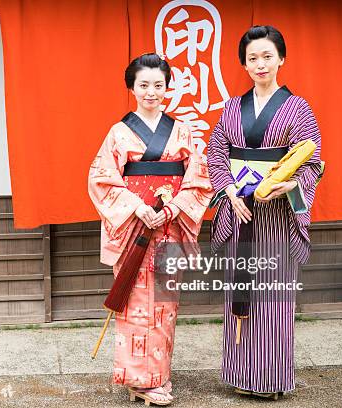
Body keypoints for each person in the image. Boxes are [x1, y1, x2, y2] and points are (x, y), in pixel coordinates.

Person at [88, 53, 212, 406]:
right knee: (134, 301)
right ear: (131, 87)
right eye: (143, 85)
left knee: (164, 305)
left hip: (170, 226)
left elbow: (199, 181)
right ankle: (137, 379)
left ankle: (159, 375)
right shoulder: (118, 133)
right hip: (135, 228)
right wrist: (138, 207)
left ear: (167, 88)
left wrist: (172, 207)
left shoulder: (182, 130)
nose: (151, 91)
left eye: (158, 85)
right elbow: (101, 180)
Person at [207, 26, 323, 399]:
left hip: (275, 215)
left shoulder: (297, 107)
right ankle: (240, 375)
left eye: (267, 56)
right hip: (241, 212)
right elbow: (216, 152)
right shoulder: (230, 108)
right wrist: (228, 190)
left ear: (281, 59)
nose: (260, 64)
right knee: (241, 295)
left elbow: (312, 159)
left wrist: (292, 186)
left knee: (273, 297)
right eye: (252, 57)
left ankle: (272, 380)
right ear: (243, 63)